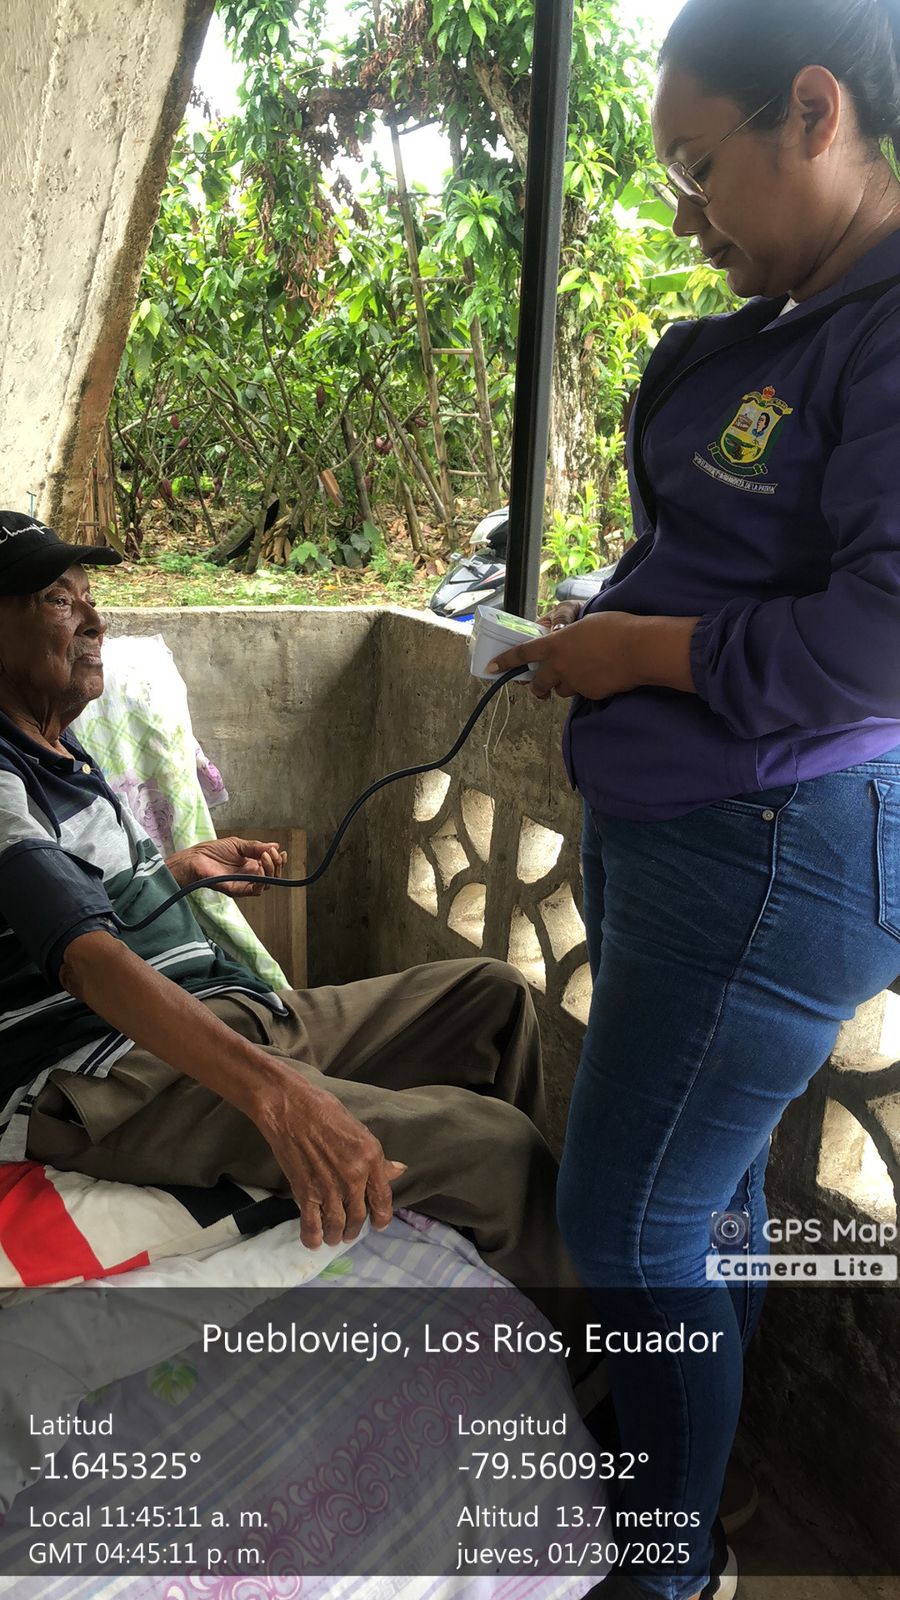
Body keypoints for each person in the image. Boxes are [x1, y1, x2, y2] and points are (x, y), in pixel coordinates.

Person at [490, 0, 900, 1595]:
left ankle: (658, 1567)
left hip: (773, 850)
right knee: (701, 1200)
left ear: (815, 111)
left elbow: (879, 636)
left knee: (630, 1225)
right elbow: (726, 554)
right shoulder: (782, 326)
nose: (686, 217)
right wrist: (609, 633)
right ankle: (695, 1519)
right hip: (695, 839)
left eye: (697, 167)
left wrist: (640, 652)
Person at [0, 511, 581, 1311]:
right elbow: (85, 959)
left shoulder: (58, 752)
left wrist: (178, 870)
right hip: (112, 1078)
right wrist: (277, 1096)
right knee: (501, 1149)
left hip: (226, 1017)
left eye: (91, 597)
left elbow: (66, 900)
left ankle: (497, 1261)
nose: (96, 621)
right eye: (61, 601)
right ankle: (585, 1361)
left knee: (493, 999)